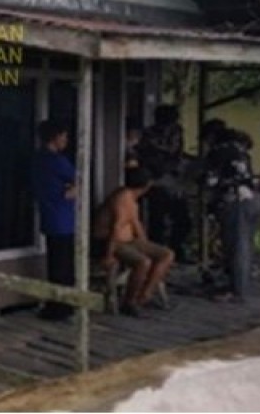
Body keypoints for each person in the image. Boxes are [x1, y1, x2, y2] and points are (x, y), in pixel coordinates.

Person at [93, 166, 175, 316]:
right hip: (110, 241)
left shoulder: (132, 198)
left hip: (129, 240)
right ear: (147, 185)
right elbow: (116, 227)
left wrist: (145, 244)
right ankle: (129, 302)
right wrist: (109, 255)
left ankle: (145, 294)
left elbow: (136, 223)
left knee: (166, 254)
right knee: (143, 262)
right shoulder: (122, 198)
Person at [203, 126, 260, 303]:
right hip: (252, 199)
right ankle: (239, 284)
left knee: (236, 247)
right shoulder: (241, 150)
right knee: (245, 244)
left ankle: (237, 290)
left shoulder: (219, 151)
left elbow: (210, 179)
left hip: (234, 201)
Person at [31, 120, 78, 321]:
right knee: (64, 266)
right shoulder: (57, 161)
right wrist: (73, 190)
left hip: (49, 217)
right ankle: (63, 306)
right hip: (63, 220)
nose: (66, 140)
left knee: (55, 264)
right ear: (55, 137)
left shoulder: (37, 160)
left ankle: (58, 305)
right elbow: (78, 177)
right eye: (64, 136)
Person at [138, 105, 192, 261]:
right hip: (156, 181)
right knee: (157, 220)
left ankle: (176, 247)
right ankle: (158, 251)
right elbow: (150, 155)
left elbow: (177, 152)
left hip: (174, 179)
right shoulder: (149, 134)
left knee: (183, 219)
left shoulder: (176, 131)